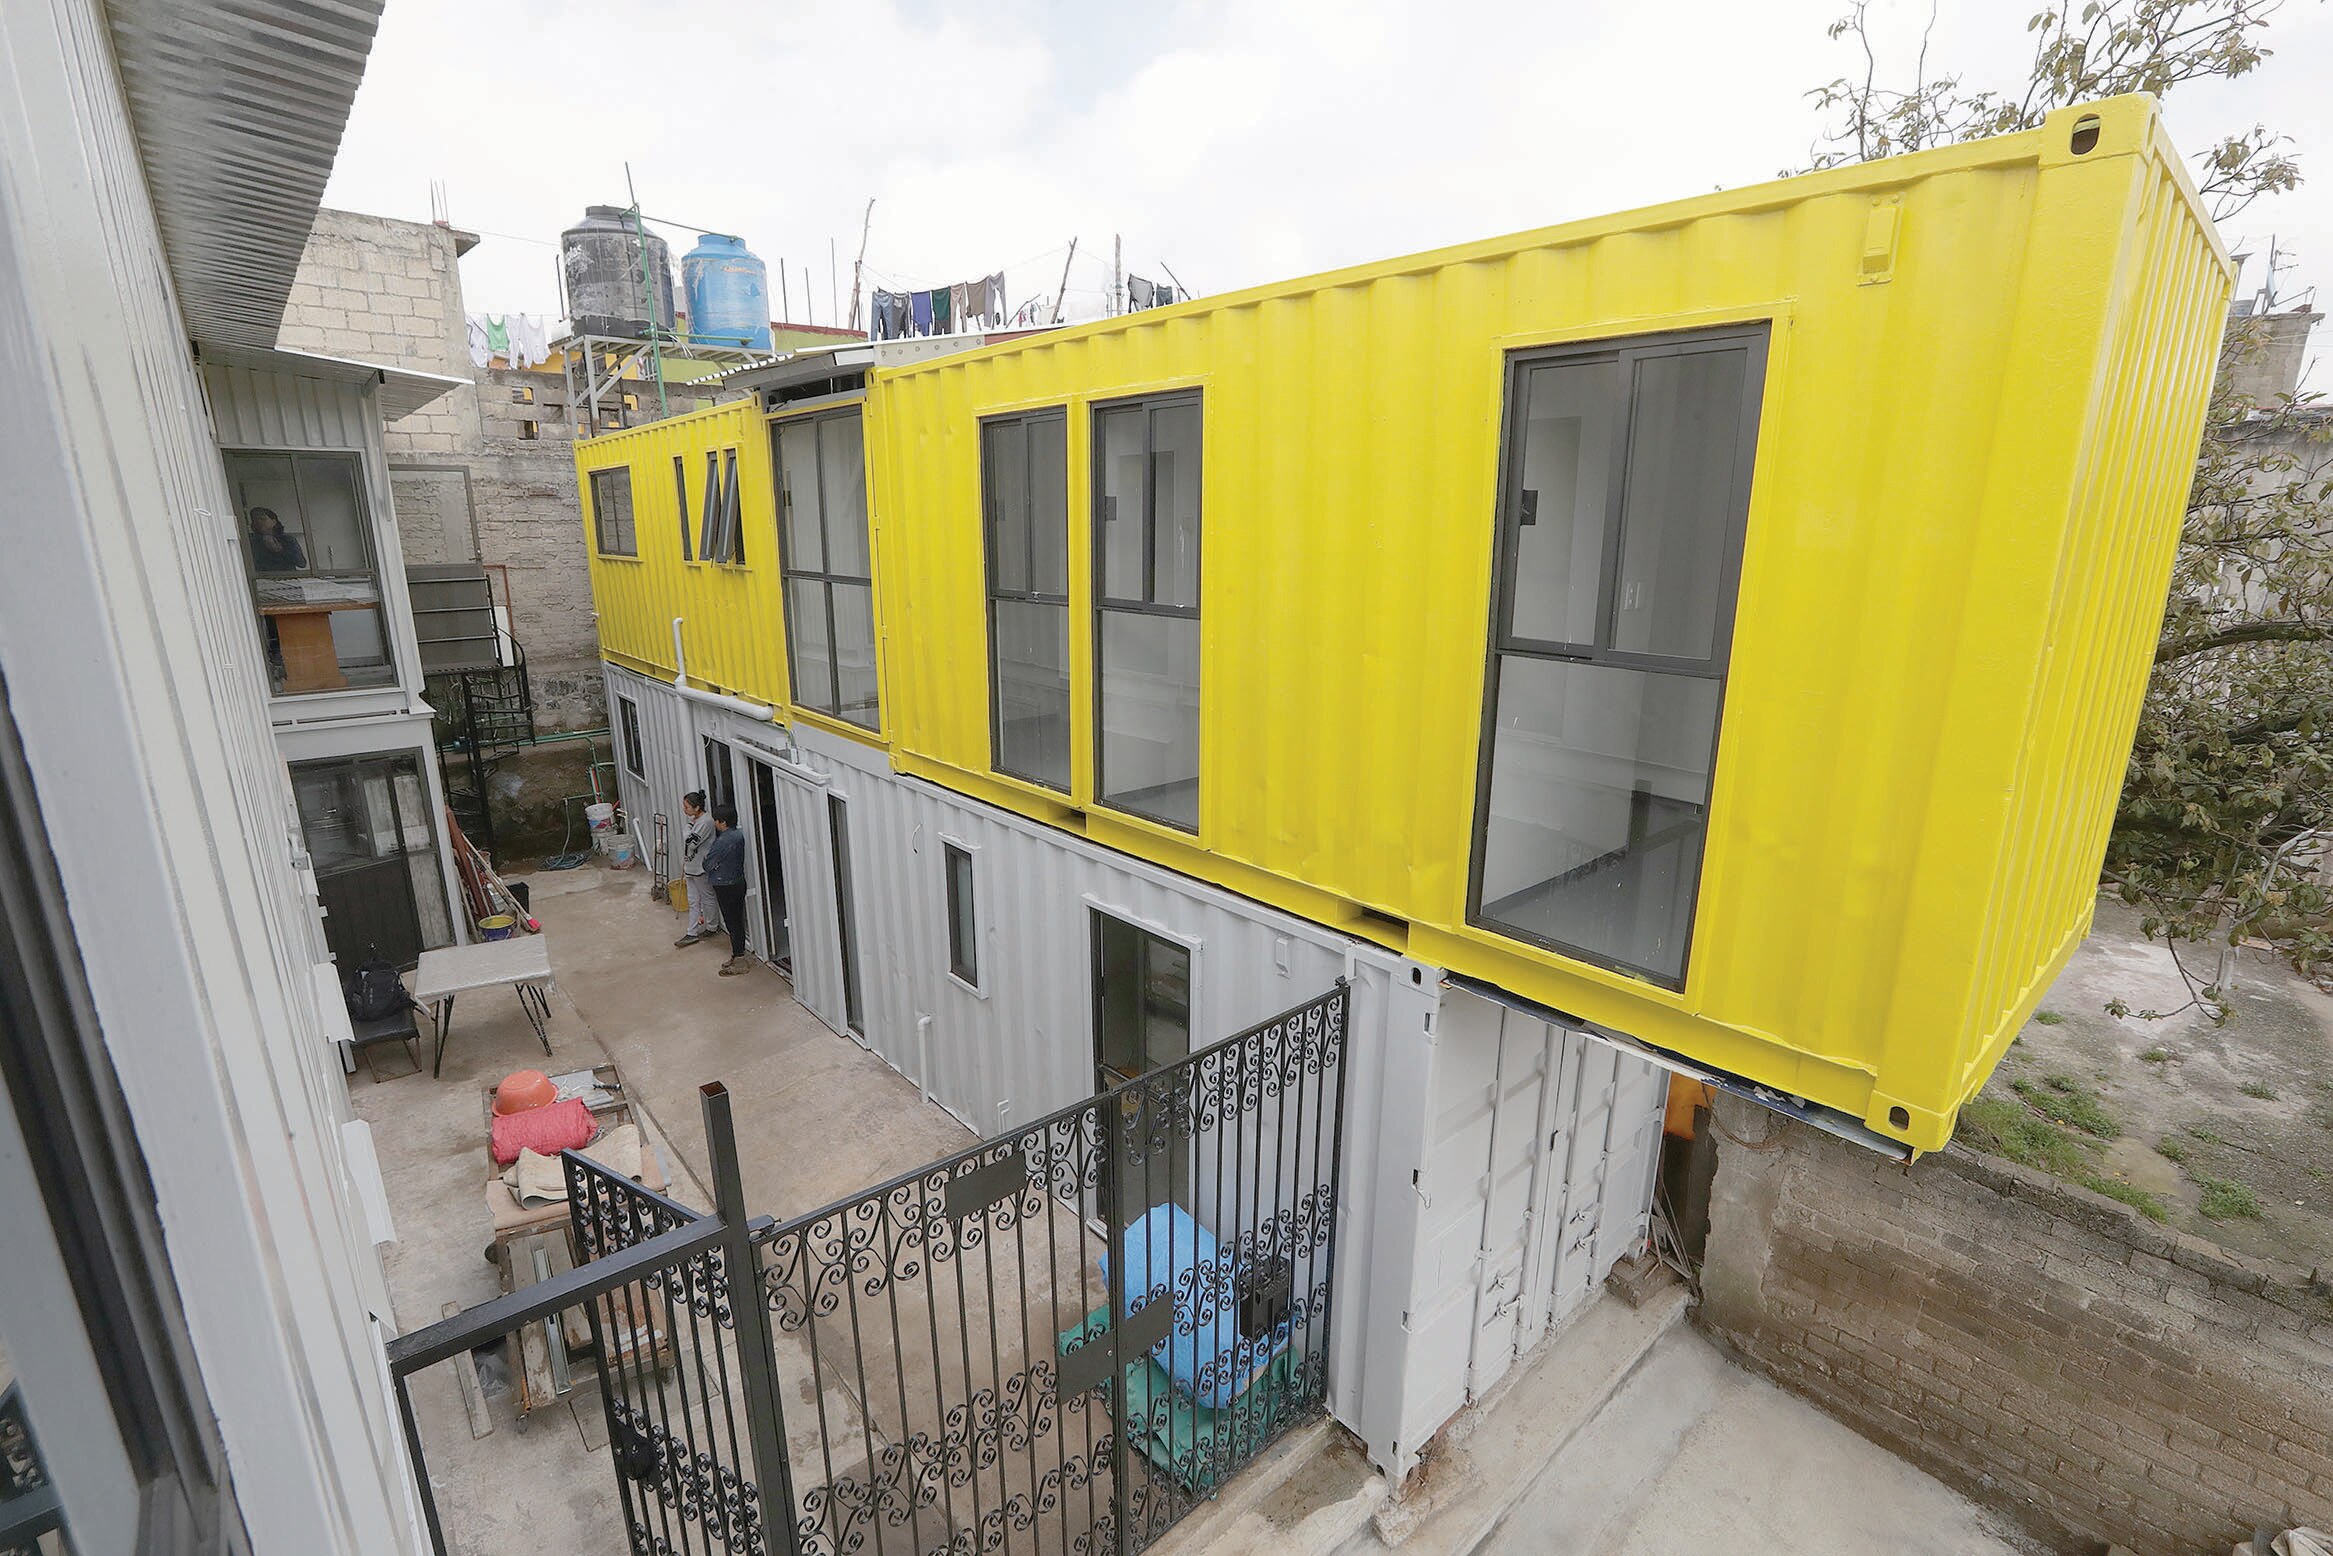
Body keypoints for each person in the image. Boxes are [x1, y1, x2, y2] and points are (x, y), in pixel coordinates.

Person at [702, 803, 751, 975]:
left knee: (733, 922)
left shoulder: (723, 841)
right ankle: (738, 954)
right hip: (737, 882)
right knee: (736, 920)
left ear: (722, 822)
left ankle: (739, 959)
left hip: (726, 886)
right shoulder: (737, 835)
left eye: (716, 820)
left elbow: (708, 864)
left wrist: (706, 860)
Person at [673, 790, 722, 947]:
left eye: (687, 807)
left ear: (697, 807)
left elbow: (691, 842)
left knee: (707, 897)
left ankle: (712, 926)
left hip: (700, 868)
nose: (684, 809)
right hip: (690, 866)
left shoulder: (705, 822)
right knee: (693, 901)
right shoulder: (697, 820)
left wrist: (687, 828)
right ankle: (691, 932)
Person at [247, 507, 306, 572]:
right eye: (255, 520)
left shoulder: (287, 539)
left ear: (274, 521)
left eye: (262, 519)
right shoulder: (251, 541)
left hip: (287, 579)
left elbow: (301, 563)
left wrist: (280, 550)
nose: (259, 522)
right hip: (261, 579)